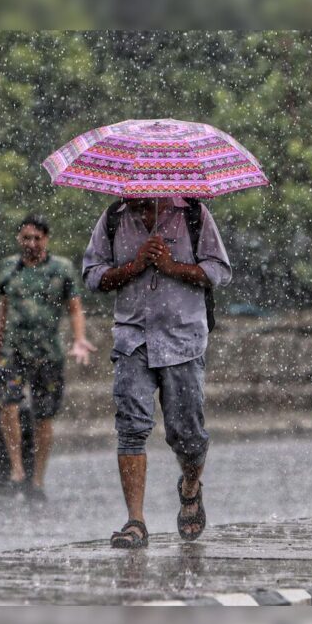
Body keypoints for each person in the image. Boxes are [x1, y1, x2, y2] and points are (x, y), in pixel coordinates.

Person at [82, 196, 232, 547]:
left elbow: (219, 271)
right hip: (132, 339)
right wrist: (132, 267)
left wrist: (172, 266)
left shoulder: (193, 214)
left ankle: (190, 487)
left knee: (188, 436)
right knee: (131, 428)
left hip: (183, 339)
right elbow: (92, 275)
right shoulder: (113, 218)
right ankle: (136, 521)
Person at [0, 213, 96, 502]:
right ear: (18, 238)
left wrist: (79, 339)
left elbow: (75, 307)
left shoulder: (61, 269)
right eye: (26, 238)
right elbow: (4, 308)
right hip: (13, 351)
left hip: (48, 354)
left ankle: (37, 478)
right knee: (8, 405)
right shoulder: (9, 268)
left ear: (46, 240)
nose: (32, 243)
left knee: (44, 416)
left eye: (37, 238)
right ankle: (16, 470)